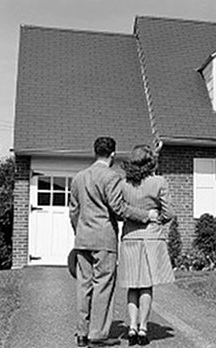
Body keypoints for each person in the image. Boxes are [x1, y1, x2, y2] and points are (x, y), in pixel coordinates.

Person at [69, 137, 153, 348]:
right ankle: (97, 335)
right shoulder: (111, 177)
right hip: (104, 239)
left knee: (83, 286)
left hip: (82, 239)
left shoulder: (79, 177)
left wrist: (79, 231)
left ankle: (82, 332)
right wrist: (146, 215)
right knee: (103, 286)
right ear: (113, 154)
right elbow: (119, 209)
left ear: (95, 152)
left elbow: (73, 211)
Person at [118, 144, 175, 346]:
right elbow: (169, 214)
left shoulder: (123, 183)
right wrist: (155, 217)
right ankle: (143, 329)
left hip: (130, 237)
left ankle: (131, 328)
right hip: (152, 238)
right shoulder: (159, 181)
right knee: (146, 287)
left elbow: (119, 210)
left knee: (132, 286)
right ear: (150, 162)